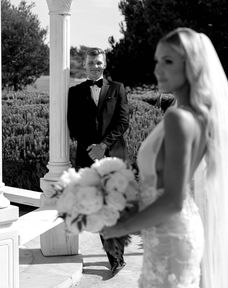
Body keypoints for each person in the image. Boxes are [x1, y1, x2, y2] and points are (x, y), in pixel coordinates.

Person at [102, 27, 228, 288]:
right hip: (174, 231)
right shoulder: (197, 115)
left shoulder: (177, 118)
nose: (158, 69)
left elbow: (173, 200)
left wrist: (119, 228)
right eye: (157, 60)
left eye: (169, 61)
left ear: (192, 65)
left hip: (171, 233)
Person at [67, 47, 130, 275]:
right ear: (85, 65)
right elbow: (73, 126)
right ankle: (115, 256)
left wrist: (103, 146)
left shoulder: (118, 88)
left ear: (104, 64)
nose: (95, 66)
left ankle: (116, 257)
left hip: (113, 157)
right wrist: (91, 149)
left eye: (98, 63)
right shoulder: (74, 92)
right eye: (91, 62)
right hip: (88, 158)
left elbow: (123, 122)